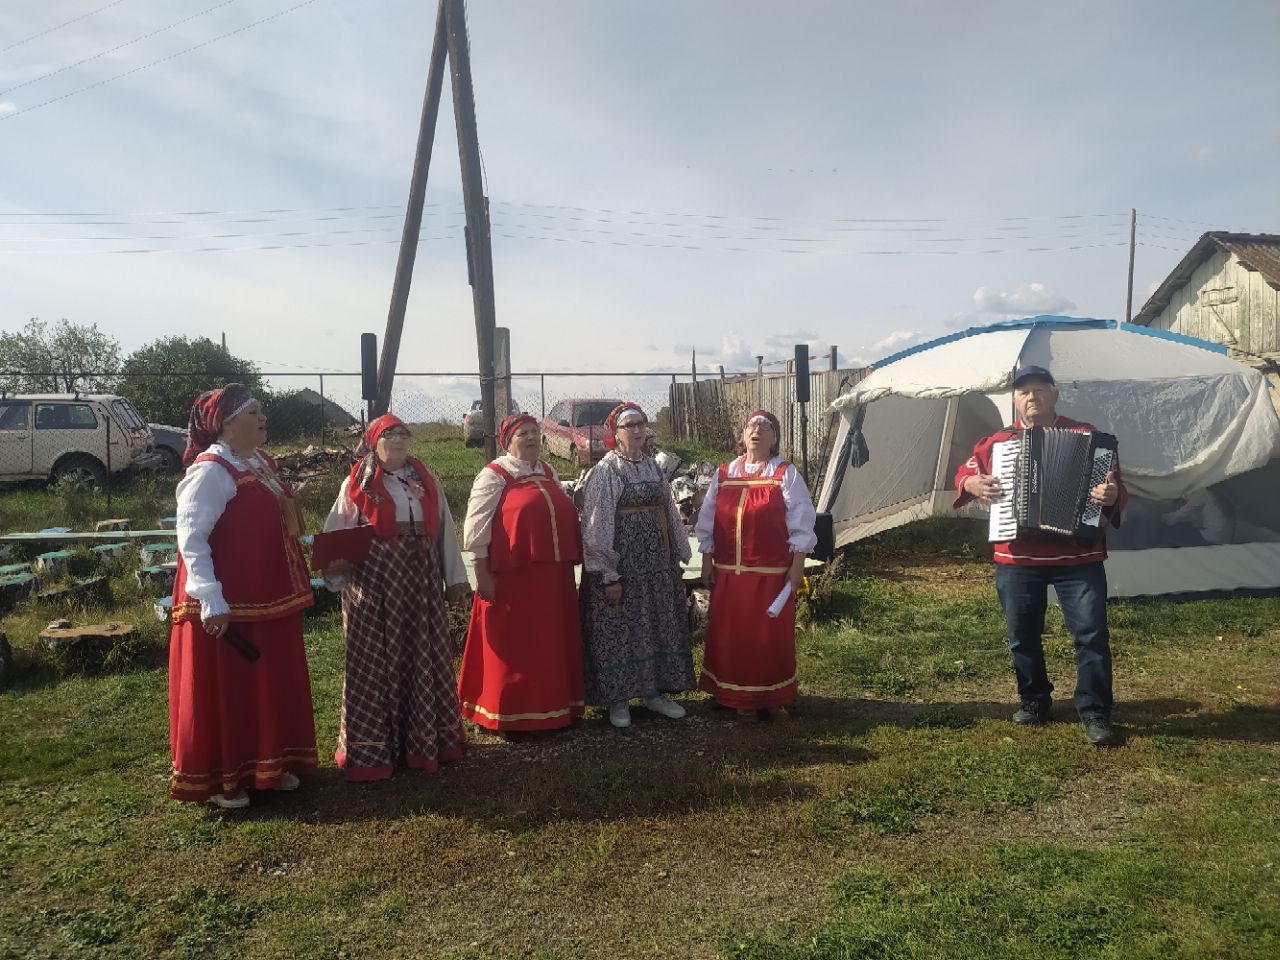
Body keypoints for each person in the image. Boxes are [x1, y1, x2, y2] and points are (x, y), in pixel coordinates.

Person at [953, 365, 1127, 746]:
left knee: (1091, 635)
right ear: (1015, 400)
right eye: (1024, 392)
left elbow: (1114, 486)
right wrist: (972, 483)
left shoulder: (1088, 437)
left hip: (1078, 557)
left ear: (1055, 396)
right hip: (1017, 557)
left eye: (1040, 390)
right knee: (1021, 635)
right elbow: (965, 472)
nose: (1032, 397)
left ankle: (1095, 710)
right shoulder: (998, 442)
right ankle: (1034, 699)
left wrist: (1110, 495)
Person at [169, 384, 317, 809]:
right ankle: (223, 779)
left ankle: (269, 765)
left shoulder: (259, 462)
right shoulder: (211, 471)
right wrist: (210, 598)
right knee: (229, 687)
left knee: (267, 682)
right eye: (254, 413)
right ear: (227, 425)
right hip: (228, 601)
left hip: (268, 595)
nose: (263, 418)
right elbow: (191, 538)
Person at [323, 414, 470, 781]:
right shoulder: (357, 483)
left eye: (404, 434)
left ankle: (424, 742)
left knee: (421, 655)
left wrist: (455, 579)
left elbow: (444, 530)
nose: (399, 440)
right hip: (374, 586)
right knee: (374, 662)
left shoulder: (425, 479)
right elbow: (338, 532)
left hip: (420, 585)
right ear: (374, 442)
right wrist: (336, 567)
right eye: (390, 435)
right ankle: (374, 749)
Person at [458, 413, 584, 735]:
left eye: (534, 432)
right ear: (508, 441)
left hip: (552, 580)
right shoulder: (495, 475)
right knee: (515, 646)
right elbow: (476, 526)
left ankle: (553, 710)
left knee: (548, 644)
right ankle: (509, 714)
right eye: (522, 433)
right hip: (513, 579)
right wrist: (481, 572)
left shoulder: (547, 471)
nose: (530, 438)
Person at [696, 409, 816, 719]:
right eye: (752, 426)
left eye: (765, 428)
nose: (757, 432)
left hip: (769, 576)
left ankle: (772, 697)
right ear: (743, 436)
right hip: (729, 576)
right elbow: (708, 518)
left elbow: (802, 519)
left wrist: (797, 564)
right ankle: (735, 696)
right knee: (733, 636)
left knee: (768, 639)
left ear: (774, 439)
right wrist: (707, 559)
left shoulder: (784, 473)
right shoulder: (725, 474)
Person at [580, 402, 694, 728]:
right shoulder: (606, 471)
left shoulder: (652, 467)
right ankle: (619, 700)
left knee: (655, 624)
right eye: (629, 425)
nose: (637, 430)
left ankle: (654, 693)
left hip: (656, 565)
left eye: (640, 423)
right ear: (615, 433)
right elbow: (596, 524)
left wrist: (680, 550)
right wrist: (607, 573)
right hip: (624, 567)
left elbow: (669, 510)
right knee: (621, 628)